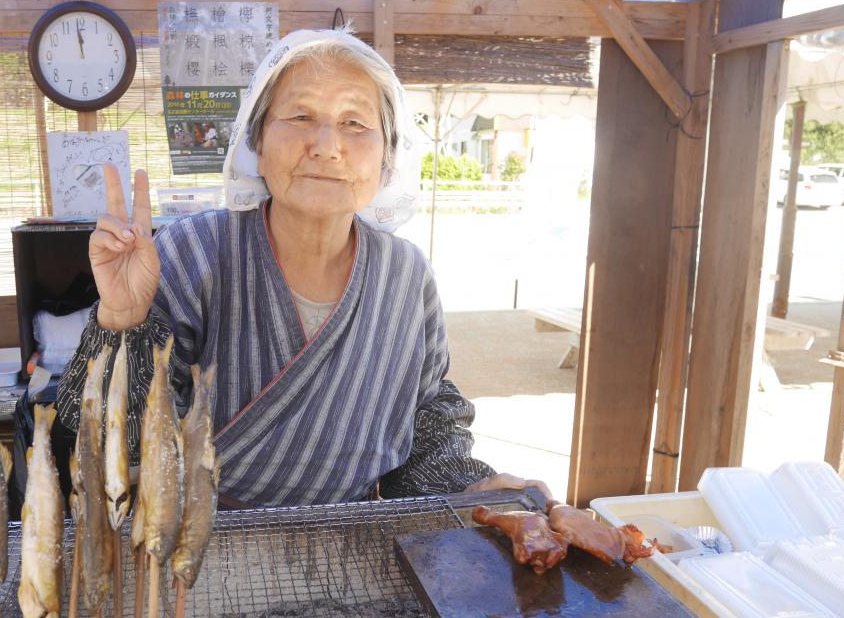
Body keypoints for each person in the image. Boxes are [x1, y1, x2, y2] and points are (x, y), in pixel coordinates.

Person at [56, 28, 550, 508]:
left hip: (351, 536)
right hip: (200, 535)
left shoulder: (406, 277)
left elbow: (425, 422)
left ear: (387, 156)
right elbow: (111, 438)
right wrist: (122, 320)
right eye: (300, 116)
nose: (327, 145)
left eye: (355, 123)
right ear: (256, 143)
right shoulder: (195, 252)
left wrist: (466, 487)